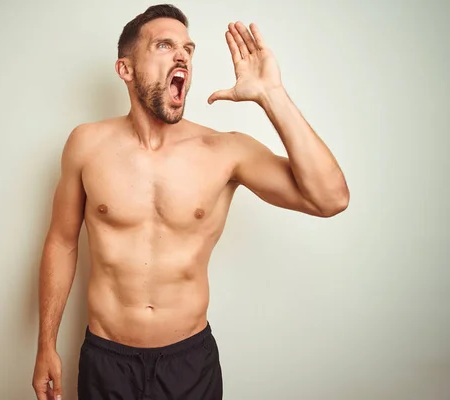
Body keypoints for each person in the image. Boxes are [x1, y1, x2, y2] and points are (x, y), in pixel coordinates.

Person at [32, 4, 349, 400]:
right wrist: (46, 343)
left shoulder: (223, 150)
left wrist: (272, 96)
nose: (183, 55)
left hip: (189, 364)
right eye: (164, 45)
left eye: (189, 48)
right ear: (125, 69)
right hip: (106, 358)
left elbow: (331, 199)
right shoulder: (86, 144)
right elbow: (61, 242)